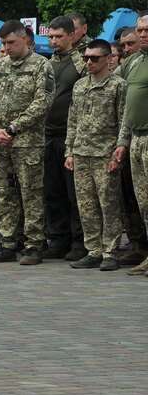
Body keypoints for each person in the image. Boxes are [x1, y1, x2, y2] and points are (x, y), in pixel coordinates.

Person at [0, 20, 55, 265]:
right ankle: (8, 243)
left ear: (25, 40)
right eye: (3, 43)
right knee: (5, 192)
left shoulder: (41, 66)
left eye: (11, 42)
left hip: (27, 143)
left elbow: (42, 103)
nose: (7, 47)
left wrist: (13, 128)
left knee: (30, 193)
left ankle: (33, 244)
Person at [64, 39, 128, 271]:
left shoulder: (118, 85)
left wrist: (118, 151)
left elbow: (123, 120)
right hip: (81, 153)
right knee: (86, 205)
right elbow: (72, 121)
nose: (89, 62)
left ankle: (110, 251)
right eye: (86, 58)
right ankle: (93, 250)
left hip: (105, 153)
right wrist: (69, 150)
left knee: (108, 204)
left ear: (108, 59)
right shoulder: (80, 86)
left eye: (94, 58)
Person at [44, 16, 86, 261]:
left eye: (59, 36)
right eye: (51, 36)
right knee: (52, 190)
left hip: (70, 137)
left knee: (74, 193)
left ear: (72, 36)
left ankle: (79, 241)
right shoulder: (47, 64)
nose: (54, 41)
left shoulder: (81, 62)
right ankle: (58, 239)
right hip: (47, 134)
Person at [116, 13, 148, 277]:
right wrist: (123, 142)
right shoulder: (134, 62)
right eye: (140, 29)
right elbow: (127, 105)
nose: (143, 33)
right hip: (137, 139)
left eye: (147, 29)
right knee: (144, 202)